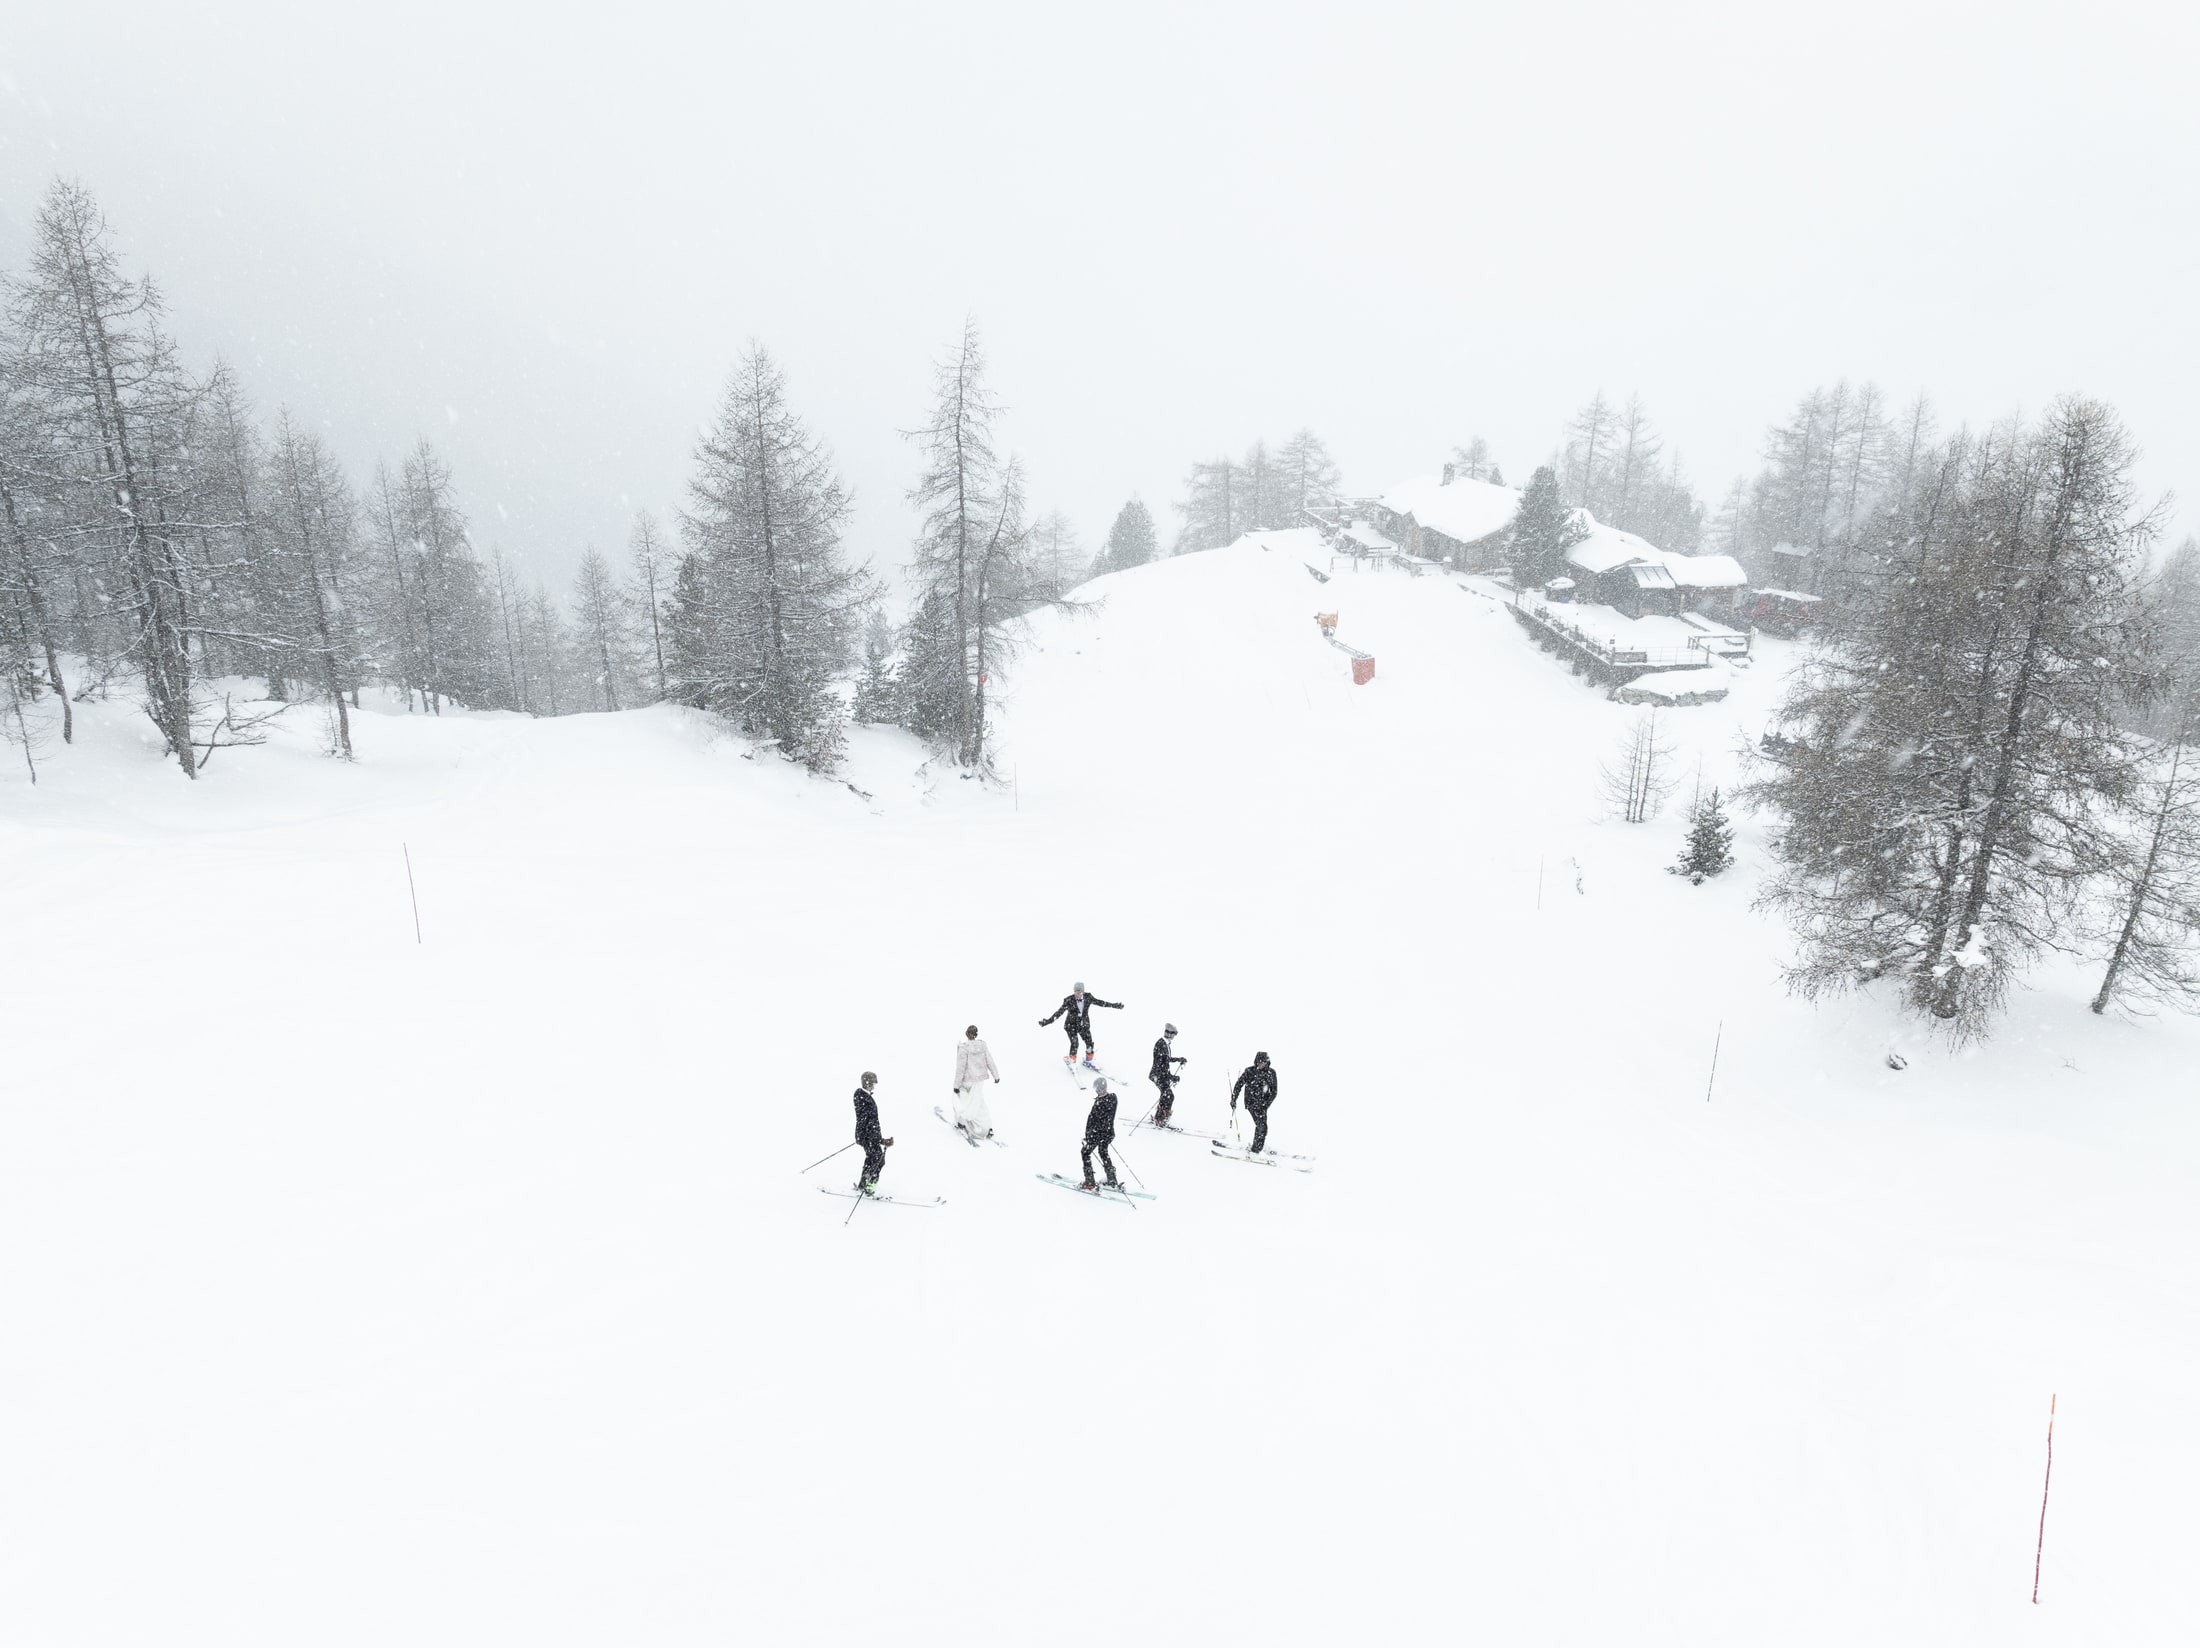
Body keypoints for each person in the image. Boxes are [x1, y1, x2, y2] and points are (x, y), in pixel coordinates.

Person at [1039, 981, 1122, 1067]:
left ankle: (1089, 1061)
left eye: (1079, 992)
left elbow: (1101, 1003)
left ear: (1083, 992)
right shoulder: (1068, 1000)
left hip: (1083, 1025)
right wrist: (1048, 1021)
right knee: (1075, 1043)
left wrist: (1114, 1005)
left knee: (1089, 1043)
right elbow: (1059, 1013)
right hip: (1071, 1025)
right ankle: (1072, 1060)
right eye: (1076, 992)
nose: (1077, 994)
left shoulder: (1088, 997)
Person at [952, 1025, 1001, 1139]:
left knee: (964, 1101)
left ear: (967, 1034)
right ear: (976, 1034)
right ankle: (986, 1126)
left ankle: (962, 1121)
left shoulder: (964, 1048)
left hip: (967, 1081)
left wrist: (956, 1085)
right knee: (978, 1102)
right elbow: (990, 1060)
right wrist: (996, 1075)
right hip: (979, 1081)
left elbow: (960, 1068)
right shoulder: (982, 1046)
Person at [853, 1071, 893, 1195]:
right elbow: (867, 1121)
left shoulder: (864, 1097)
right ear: (868, 1083)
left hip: (869, 1135)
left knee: (872, 1159)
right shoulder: (863, 1097)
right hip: (868, 1136)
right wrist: (876, 1139)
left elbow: (871, 1121)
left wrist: (880, 1139)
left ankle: (863, 1185)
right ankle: (869, 1187)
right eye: (873, 1083)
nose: (874, 1086)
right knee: (878, 1159)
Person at [1230, 1051, 1278, 1154]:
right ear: (1256, 1061)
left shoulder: (1271, 1073)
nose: (1260, 1064)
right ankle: (1256, 1150)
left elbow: (1274, 1091)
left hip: (1263, 1105)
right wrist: (1234, 1099)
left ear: (1267, 1062)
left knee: (1263, 1127)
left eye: (1263, 1062)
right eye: (1259, 1062)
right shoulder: (1249, 1071)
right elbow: (1239, 1084)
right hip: (1251, 1103)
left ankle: (1258, 1147)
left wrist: (1266, 1104)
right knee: (1261, 1126)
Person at [1081, 1076, 1121, 1191]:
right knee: (1103, 1152)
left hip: (1098, 1134)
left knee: (1085, 1152)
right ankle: (1112, 1179)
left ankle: (1089, 1182)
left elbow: (1096, 1121)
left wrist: (1090, 1136)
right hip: (1107, 1133)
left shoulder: (1102, 1102)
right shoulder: (1111, 1098)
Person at [1148, 1023, 1188, 1126]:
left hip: (1159, 1074)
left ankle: (1159, 1118)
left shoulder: (1164, 1043)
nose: (1174, 1036)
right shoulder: (1161, 1044)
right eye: (1174, 1034)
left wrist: (1178, 1059)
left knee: (1166, 1095)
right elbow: (1162, 1064)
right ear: (1170, 1034)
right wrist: (1171, 1077)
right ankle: (1161, 1120)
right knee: (1169, 1096)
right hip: (1158, 1075)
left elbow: (1166, 1059)